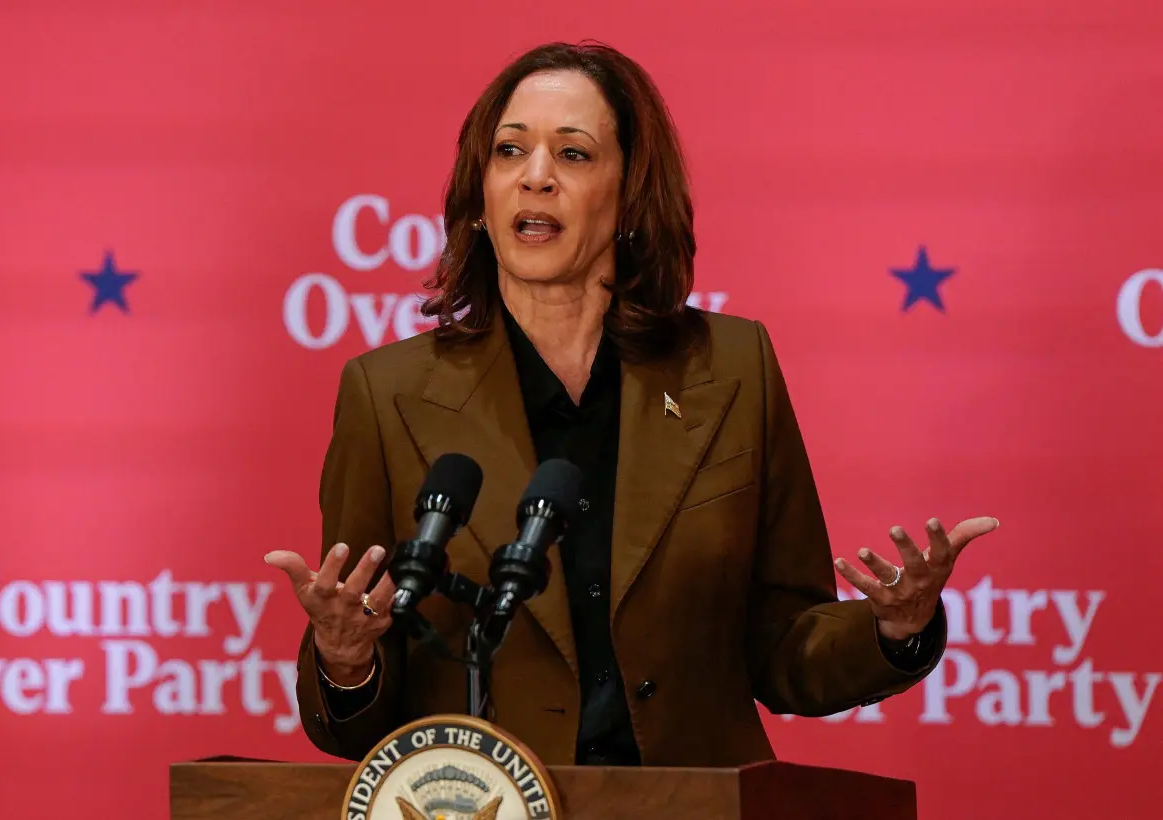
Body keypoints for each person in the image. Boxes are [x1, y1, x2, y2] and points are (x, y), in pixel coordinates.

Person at [265, 40, 999, 768]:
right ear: (480, 201)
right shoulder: (387, 394)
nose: (536, 178)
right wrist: (344, 656)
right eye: (510, 151)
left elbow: (782, 647)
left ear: (629, 197)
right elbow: (355, 714)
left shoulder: (734, 368)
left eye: (574, 154)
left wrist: (894, 629)